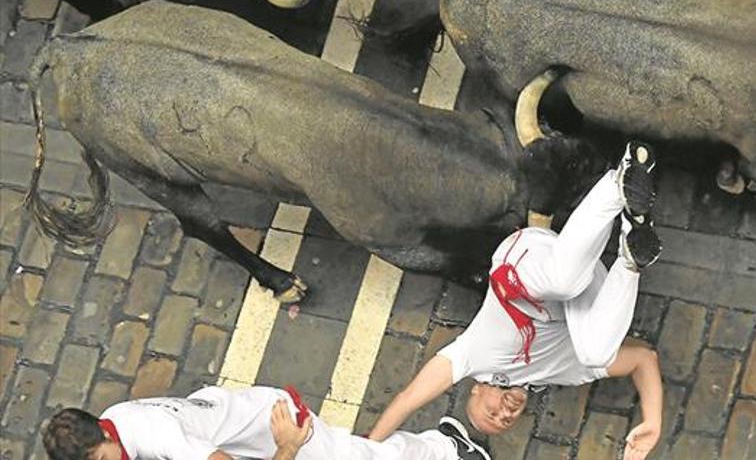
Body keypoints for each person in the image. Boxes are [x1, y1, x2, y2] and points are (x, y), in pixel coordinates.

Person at [369, 141, 665, 460]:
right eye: (505, 423)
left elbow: (408, 398)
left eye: (490, 413)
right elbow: (643, 359)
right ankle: (632, 252)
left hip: (521, 267)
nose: (504, 416)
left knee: (563, 281)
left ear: (477, 388)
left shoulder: (472, 357)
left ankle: (618, 180)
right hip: (580, 277)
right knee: (594, 350)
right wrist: (653, 422)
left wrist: (367, 450)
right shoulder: (562, 372)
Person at [42, 384, 492, 460]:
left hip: (277, 426)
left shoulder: (155, 434)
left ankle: (448, 447)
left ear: (104, 435)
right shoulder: (110, 425)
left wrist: (288, 446)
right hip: (228, 429)